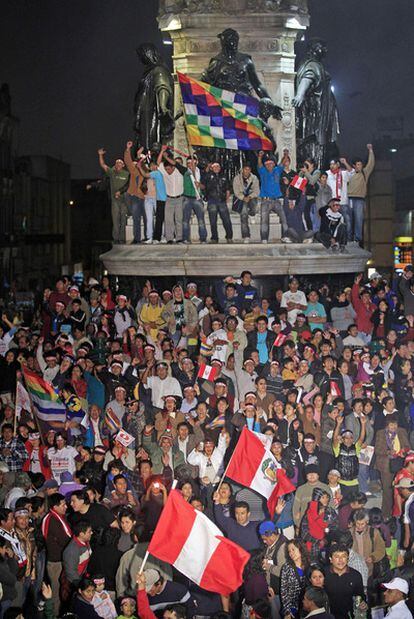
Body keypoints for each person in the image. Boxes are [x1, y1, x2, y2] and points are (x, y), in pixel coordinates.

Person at [323, 545, 366, 619]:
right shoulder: (323, 574)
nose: (340, 560)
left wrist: (363, 604)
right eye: (336, 557)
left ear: (348, 558)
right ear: (330, 559)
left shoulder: (356, 575)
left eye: (343, 556)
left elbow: (360, 596)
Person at [97, 148, 129, 244]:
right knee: (115, 220)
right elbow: (103, 165)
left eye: (120, 163)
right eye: (116, 162)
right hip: (115, 200)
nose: (118, 164)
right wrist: (100, 155)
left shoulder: (127, 173)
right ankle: (116, 238)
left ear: (123, 165)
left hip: (124, 200)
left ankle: (122, 238)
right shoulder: (112, 172)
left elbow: (129, 185)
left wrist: (121, 191)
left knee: (123, 219)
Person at [257, 151, 290, 244]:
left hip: (276, 201)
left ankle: (285, 236)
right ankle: (264, 238)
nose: (269, 165)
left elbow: (283, 163)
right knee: (264, 220)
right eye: (267, 164)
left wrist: (286, 155)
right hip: (265, 201)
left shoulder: (277, 170)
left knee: (284, 218)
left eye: (271, 164)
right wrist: (260, 157)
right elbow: (259, 165)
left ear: (274, 164)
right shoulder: (263, 172)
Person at [347, 144, 375, 245]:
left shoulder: (365, 173)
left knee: (359, 219)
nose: (360, 166)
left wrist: (370, 151)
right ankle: (348, 237)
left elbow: (371, 163)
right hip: (349, 198)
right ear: (354, 166)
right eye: (358, 165)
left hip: (359, 199)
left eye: (360, 164)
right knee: (348, 219)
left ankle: (357, 238)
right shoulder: (350, 173)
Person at [202, 161, 232, 244]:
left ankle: (229, 237)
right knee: (213, 221)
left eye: (217, 166)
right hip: (212, 201)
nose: (216, 168)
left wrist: (227, 197)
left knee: (226, 220)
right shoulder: (207, 176)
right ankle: (214, 238)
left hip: (222, 201)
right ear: (212, 168)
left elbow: (228, 187)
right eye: (214, 167)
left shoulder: (224, 176)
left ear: (220, 168)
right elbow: (203, 183)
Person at [280, 539, 309, 618]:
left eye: (293, 549)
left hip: (307, 607)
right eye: (289, 551)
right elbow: (284, 591)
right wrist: (287, 611)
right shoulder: (287, 567)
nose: (291, 553)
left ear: (301, 548)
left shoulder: (309, 565)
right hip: (292, 608)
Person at [232, 163, 260, 243]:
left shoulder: (254, 178)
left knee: (254, 205)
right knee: (243, 213)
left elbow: (257, 191)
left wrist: (250, 197)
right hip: (241, 198)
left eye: (248, 169)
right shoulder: (237, 179)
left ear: (250, 170)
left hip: (251, 197)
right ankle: (246, 235)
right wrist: (243, 197)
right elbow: (236, 191)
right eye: (245, 169)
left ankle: (252, 214)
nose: (247, 171)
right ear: (242, 170)